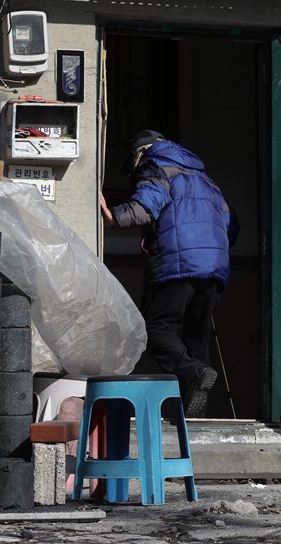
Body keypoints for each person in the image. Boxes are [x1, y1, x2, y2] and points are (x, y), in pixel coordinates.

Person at [99, 130, 239, 418]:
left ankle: (193, 372)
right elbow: (231, 225)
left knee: (155, 329)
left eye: (132, 165)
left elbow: (147, 205)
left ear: (141, 152)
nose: (133, 171)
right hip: (214, 266)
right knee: (196, 340)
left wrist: (115, 218)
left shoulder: (154, 164)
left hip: (177, 263)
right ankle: (194, 418)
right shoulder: (206, 179)